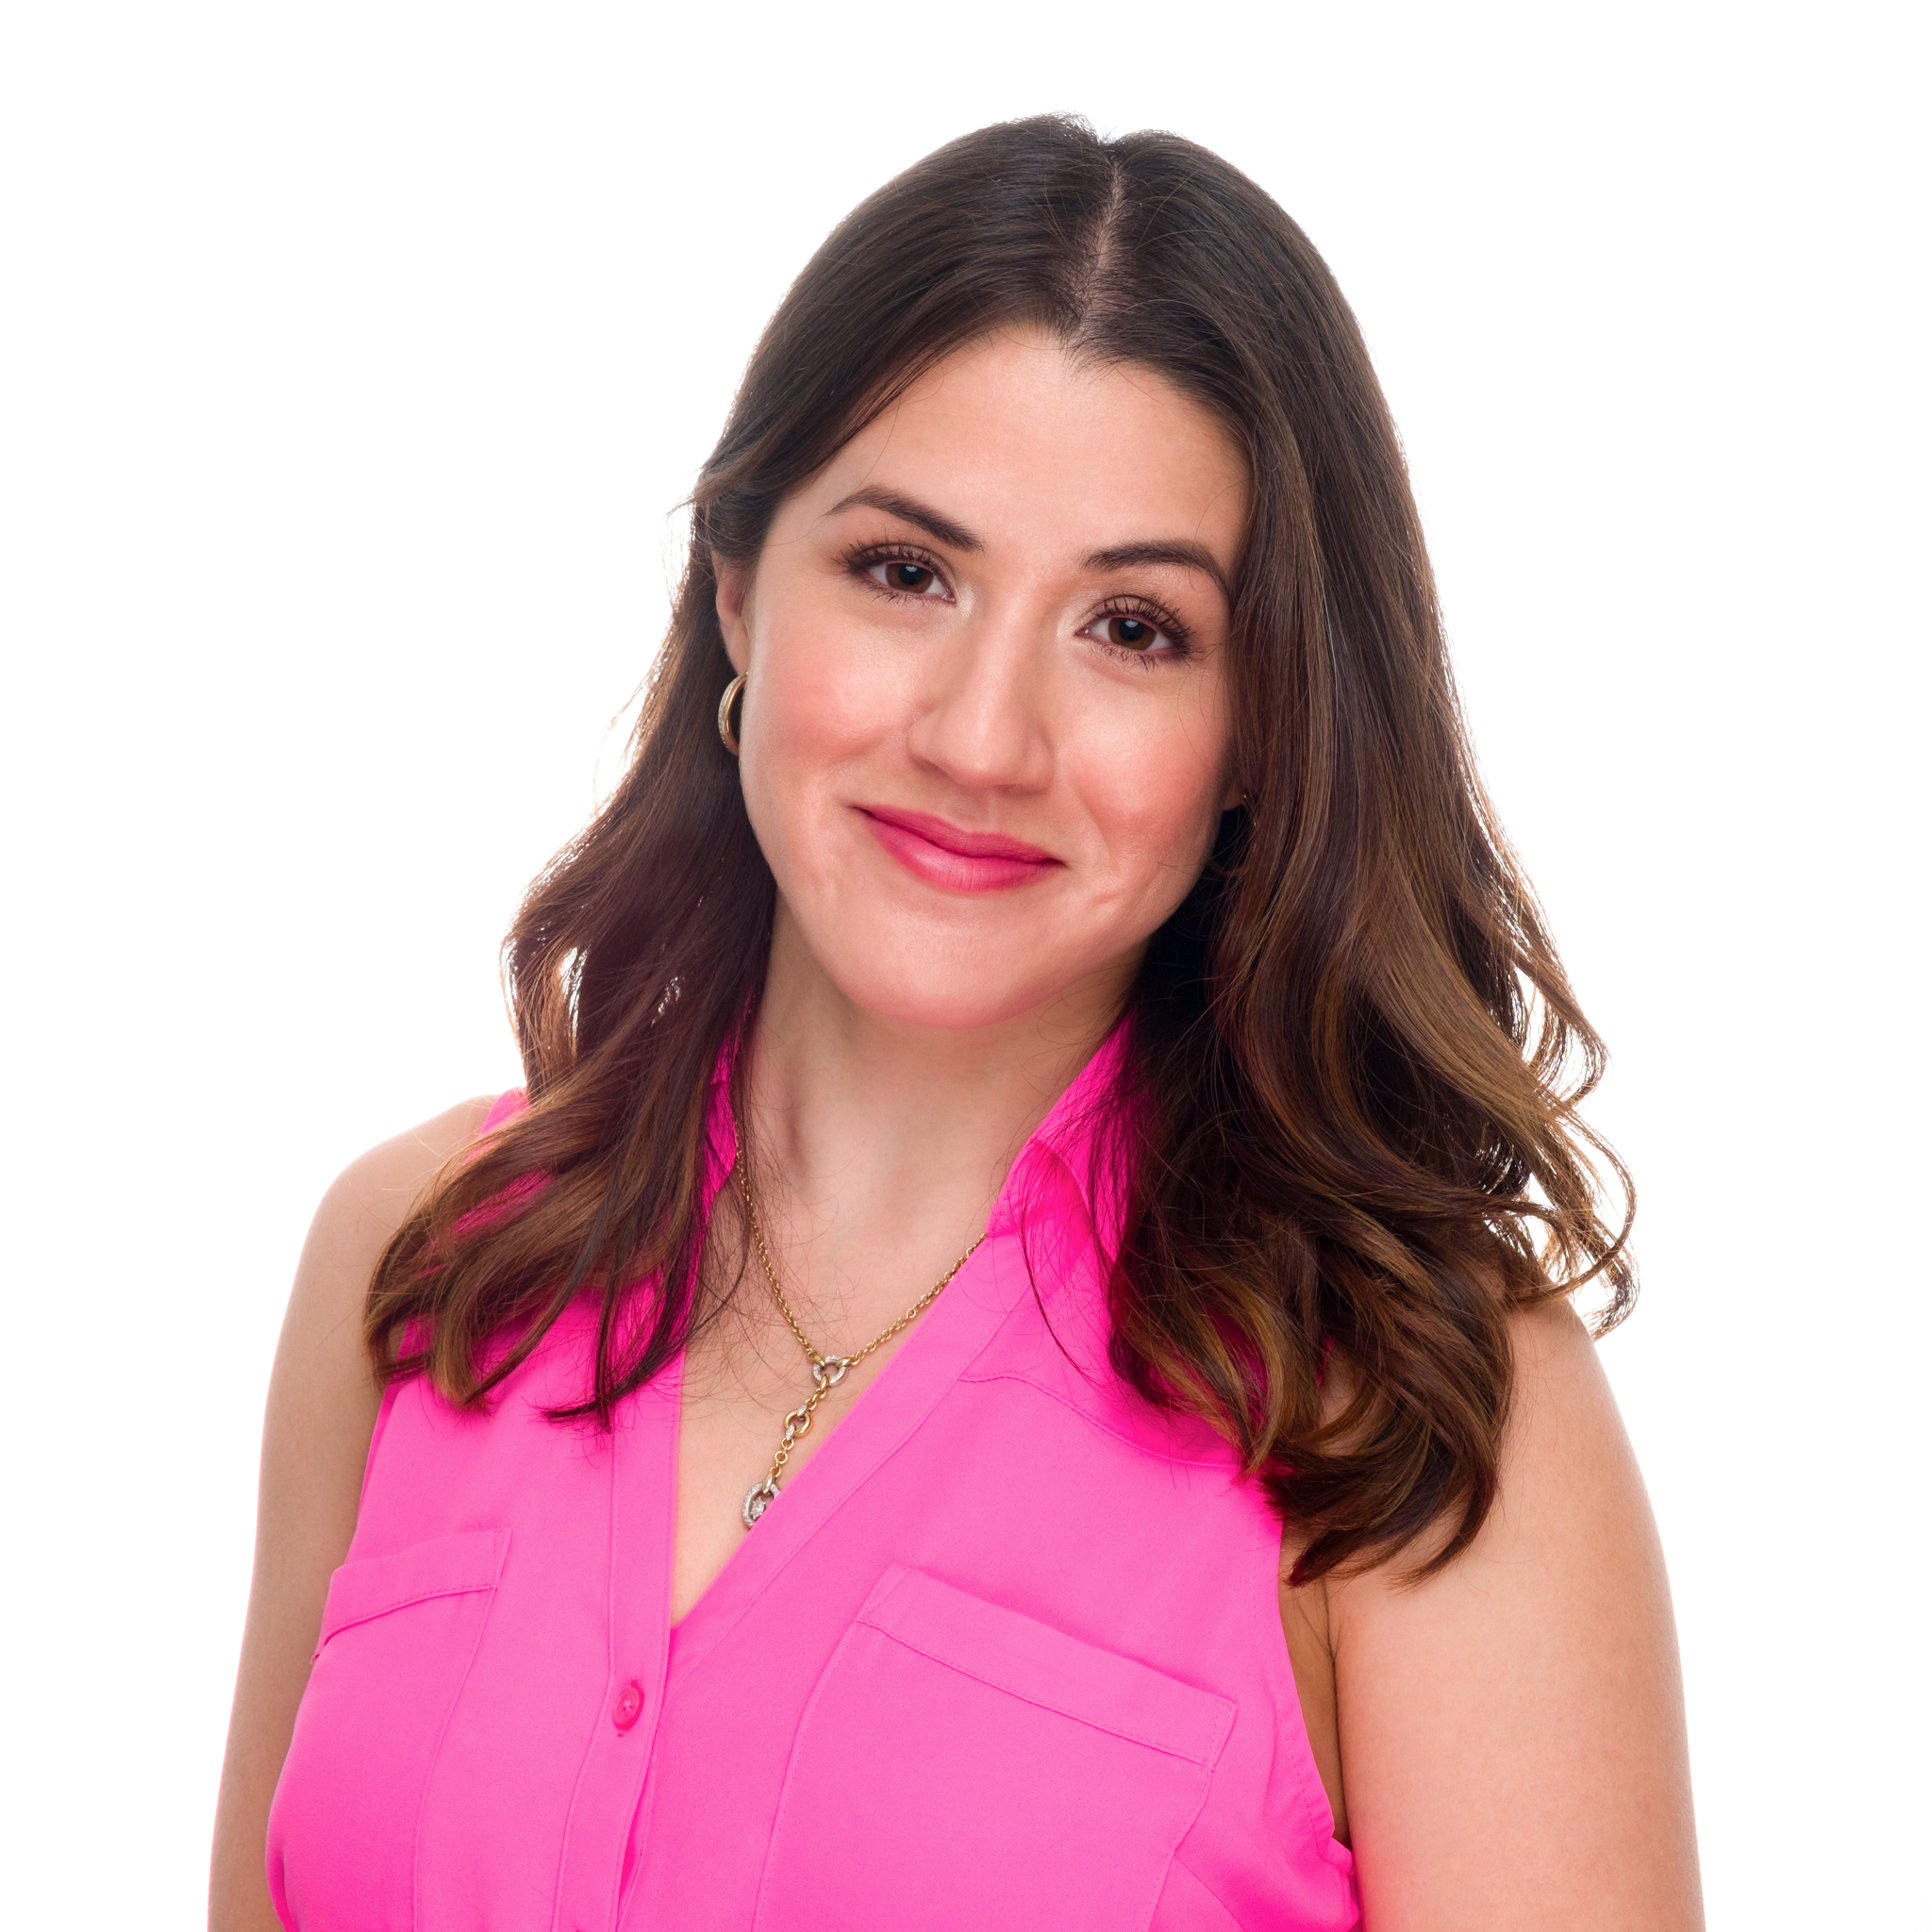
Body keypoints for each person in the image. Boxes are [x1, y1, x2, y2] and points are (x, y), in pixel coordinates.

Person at [209, 116, 1703, 1931]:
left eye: (1136, 628)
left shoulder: (1410, 1405)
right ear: (740, 587)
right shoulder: (422, 1262)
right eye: (907, 571)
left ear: (1263, 729)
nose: (983, 741)